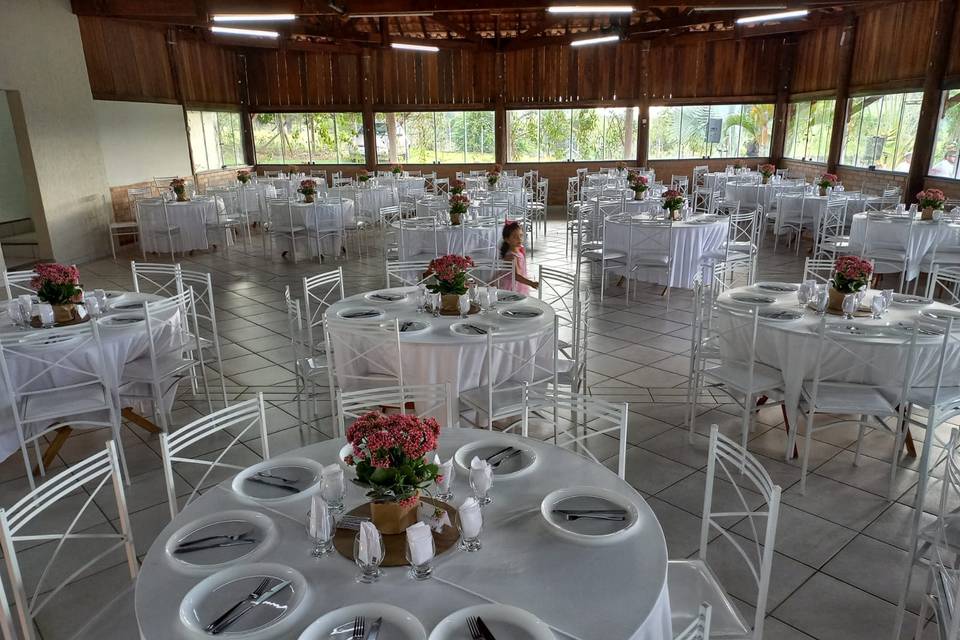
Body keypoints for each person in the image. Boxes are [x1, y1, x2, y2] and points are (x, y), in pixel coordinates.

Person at [499, 221, 539, 294]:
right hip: (512, 286)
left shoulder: (518, 250)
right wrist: (531, 283)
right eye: (515, 237)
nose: (519, 239)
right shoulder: (512, 257)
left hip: (519, 283)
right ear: (507, 239)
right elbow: (516, 276)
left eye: (521, 235)